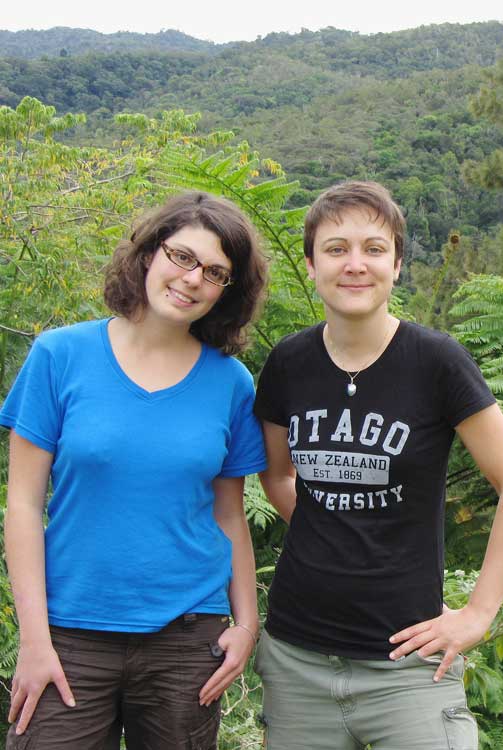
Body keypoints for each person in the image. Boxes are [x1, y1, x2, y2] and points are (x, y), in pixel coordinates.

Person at [254, 181, 503, 749]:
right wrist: (333, 532)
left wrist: (479, 613)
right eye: (336, 249)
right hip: (296, 661)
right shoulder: (288, 363)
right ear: (311, 265)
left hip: (409, 663)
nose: (355, 264)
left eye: (374, 249)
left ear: (398, 265)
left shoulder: (437, 362)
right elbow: (278, 475)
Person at [1, 191, 270, 750]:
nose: (192, 279)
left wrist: (246, 625)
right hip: (68, 632)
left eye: (215, 272)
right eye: (183, 256)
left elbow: (229, 515)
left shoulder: (231, 383)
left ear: (228, 291)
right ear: (149, 253)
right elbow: (23, 505)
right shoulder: (59, 356)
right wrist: (34, 639)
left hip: (187, 639)